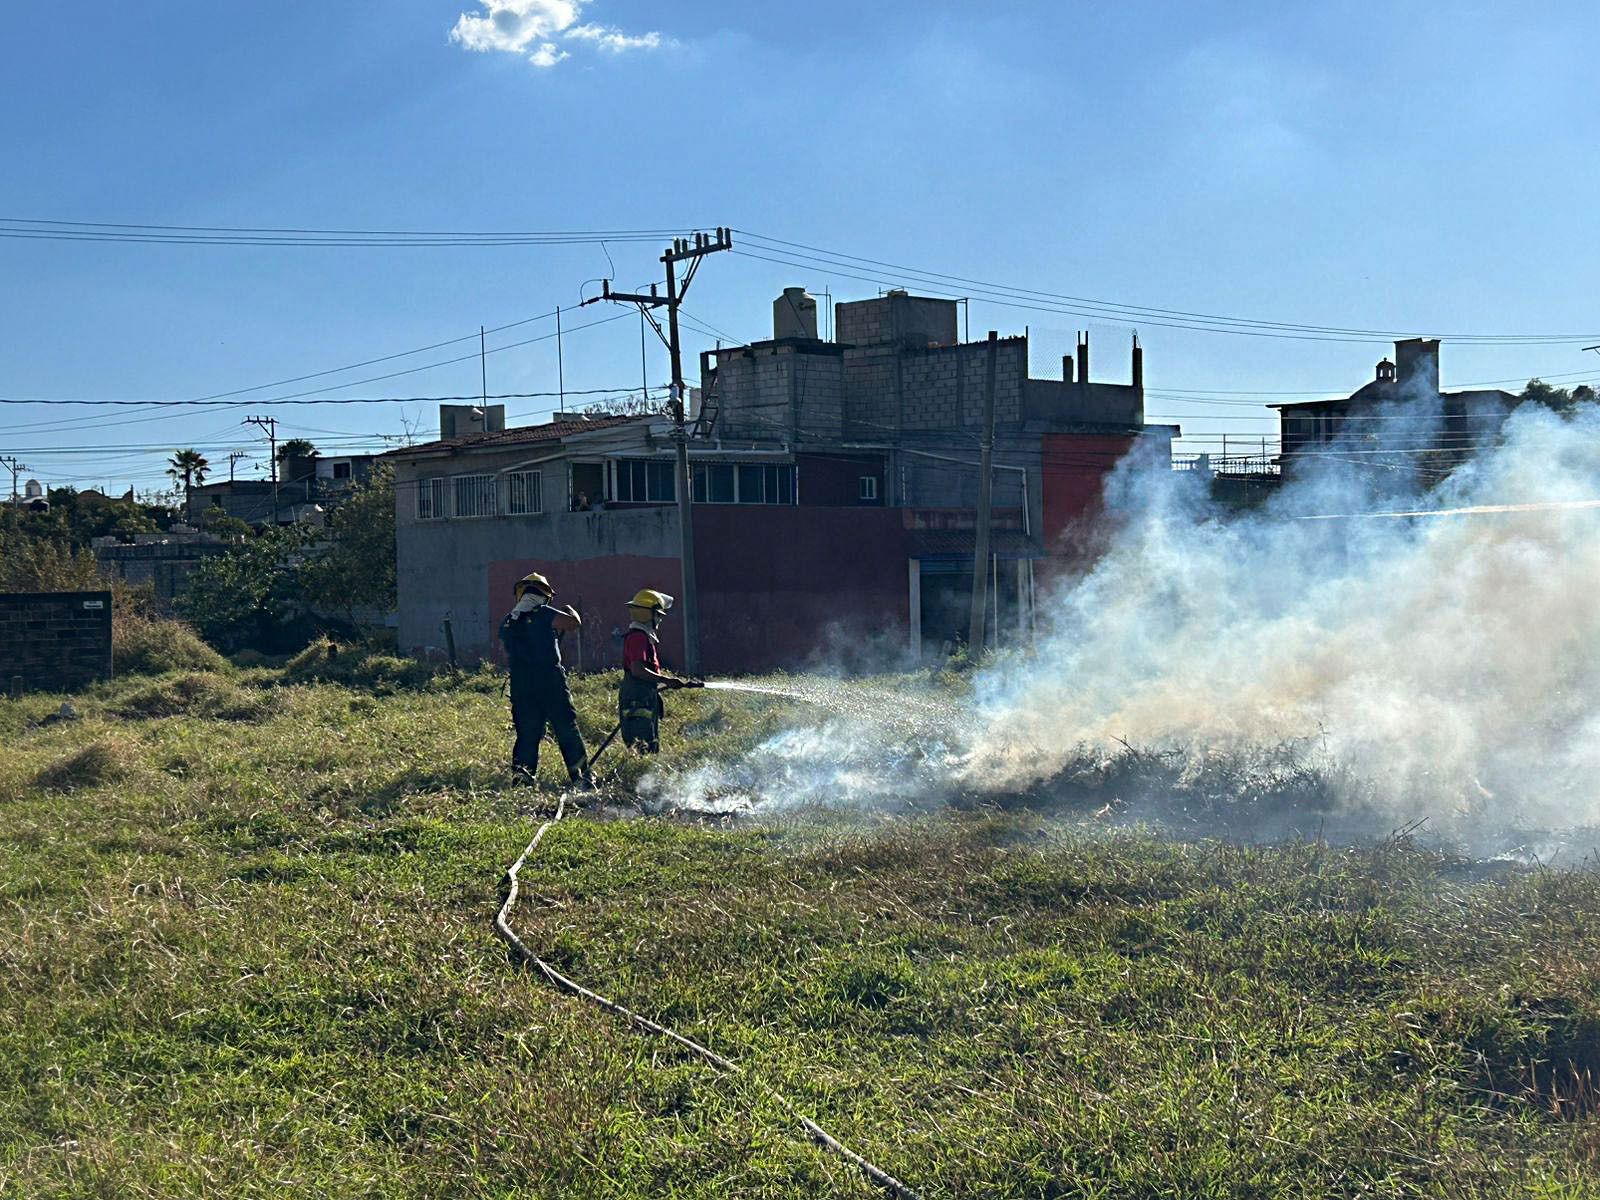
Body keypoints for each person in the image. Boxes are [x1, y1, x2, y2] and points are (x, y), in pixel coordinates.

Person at [499, 572, 592, 787]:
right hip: (550, 681)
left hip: (521, 684)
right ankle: (582, 779)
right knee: (566, 728)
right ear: (545, 595)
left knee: (527, 733)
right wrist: (570, 609)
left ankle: (522, 782)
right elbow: (573, 623)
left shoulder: (508, 621)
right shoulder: (543, 613)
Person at [618, 588, 693, 753]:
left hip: (642, 696)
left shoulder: (643, 637)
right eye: (658, 615)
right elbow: (638, 670)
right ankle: (638, 770)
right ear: (647, 614)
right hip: (637, 698)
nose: (659, 619)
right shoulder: (638, 638)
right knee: (642, 747)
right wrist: (666, 680)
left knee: (649, 743)